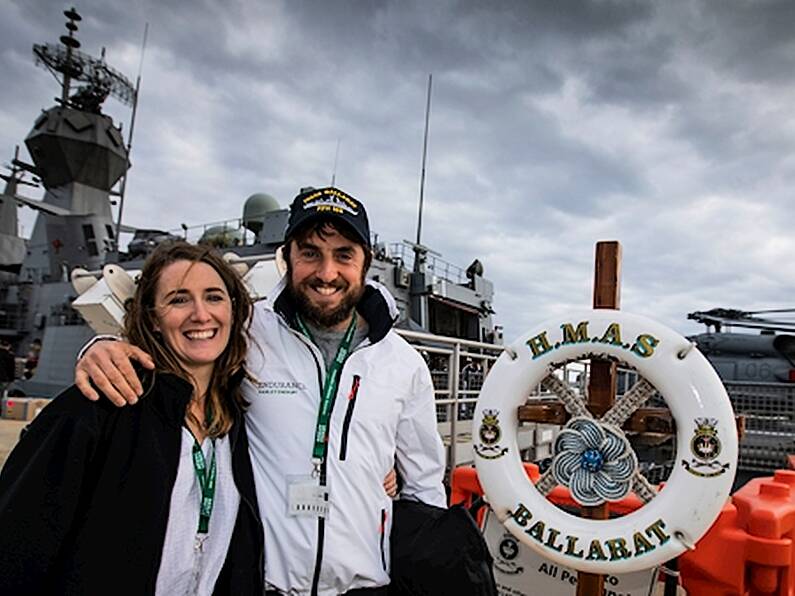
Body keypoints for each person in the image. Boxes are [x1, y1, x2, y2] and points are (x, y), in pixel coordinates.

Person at [76, 186, 447, 595]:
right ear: (287, 257)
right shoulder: (248, 334)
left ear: (365, 263)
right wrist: (101, 347)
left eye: (344, 254)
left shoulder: (404, 365)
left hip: (366, 586)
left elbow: (424, 486)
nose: (326, 273)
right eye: (309, 253)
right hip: (259, 582)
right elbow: (175, 350)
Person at [0, 242, 264, 595]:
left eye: (214, 297)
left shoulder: (235, 421)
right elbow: (16, 546)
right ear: (153, 319)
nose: (201, 314)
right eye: (179, 299)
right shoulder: (97, 407)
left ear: (233, 310)